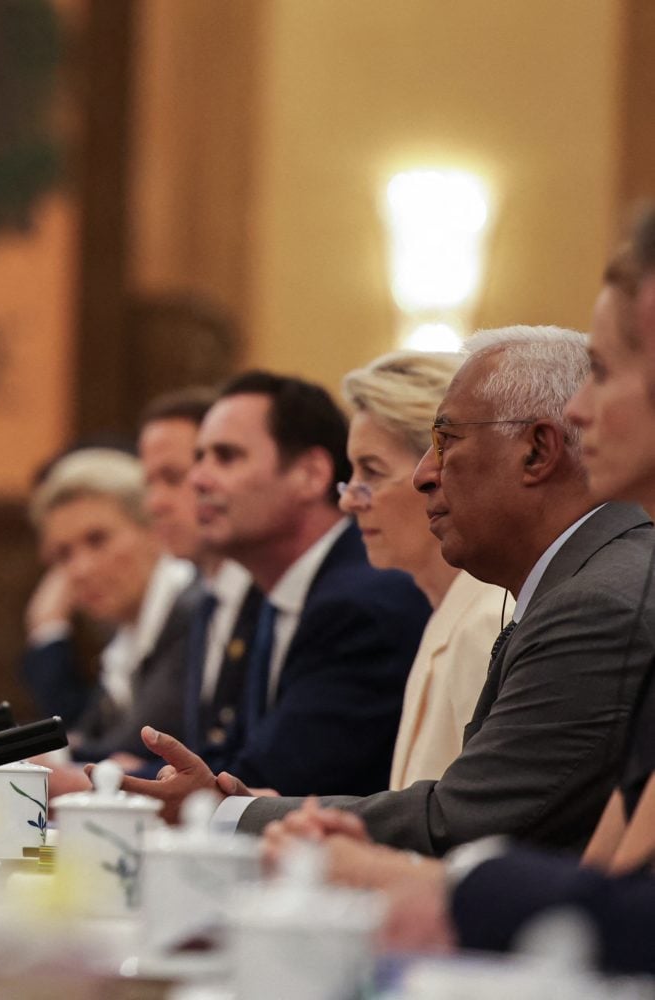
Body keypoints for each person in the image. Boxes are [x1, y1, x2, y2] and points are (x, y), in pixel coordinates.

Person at [280, 229, 655, 974]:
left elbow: (475, 826)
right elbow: (612, 887)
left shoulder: (605, 599)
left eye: (607, 371)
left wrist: (434, 882)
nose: (580, 410)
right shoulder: (563, 588)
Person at [198, 327, 655, 861]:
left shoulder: (594, 605)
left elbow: (461, 822)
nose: (423, 476)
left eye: (445, 441)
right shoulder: (573, 587)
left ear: (537, 451)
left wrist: (228, 815)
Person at [149, 372, 431, 796]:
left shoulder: (363, 602)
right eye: (199, 458)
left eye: (225, 457)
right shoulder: (271, 593)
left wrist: (97, 785)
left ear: (311, 474)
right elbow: (231, 757)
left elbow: (275, 782)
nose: (198, 480)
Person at [338, 352, 506, 788]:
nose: (349, 499)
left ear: (437, 472)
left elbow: (467, 823)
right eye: (351, 474)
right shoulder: (447, 613)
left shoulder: (489, 622)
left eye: (371, 472)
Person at [21, 448, 194, 763]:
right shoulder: (128, 634)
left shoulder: (194, 610)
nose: (80, 570)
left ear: (154, 529)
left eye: (97, 540)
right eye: (64, 555)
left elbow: (128, 749)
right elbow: (87, 734)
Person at [138, 388, 261, 763]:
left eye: (173, 478)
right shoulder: (201, 599)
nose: (154, 503)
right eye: (149, 483)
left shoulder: (270, 596)